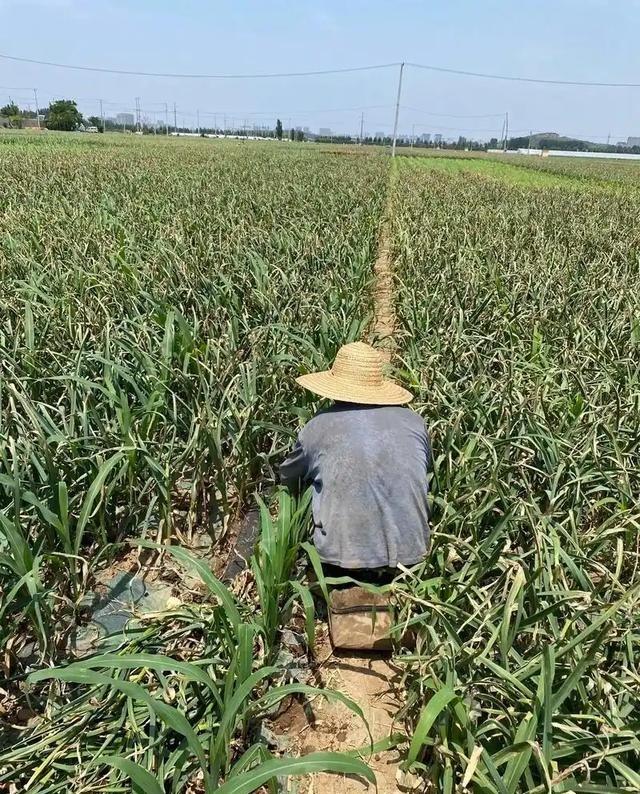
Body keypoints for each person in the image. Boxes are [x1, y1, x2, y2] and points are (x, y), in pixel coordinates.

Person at [280, 341, 431, 583]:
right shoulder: (414, 421)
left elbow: (289, 478)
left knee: (311, 486)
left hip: (342, 561)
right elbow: (425, 472)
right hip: (411, 555)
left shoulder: (318, 426)